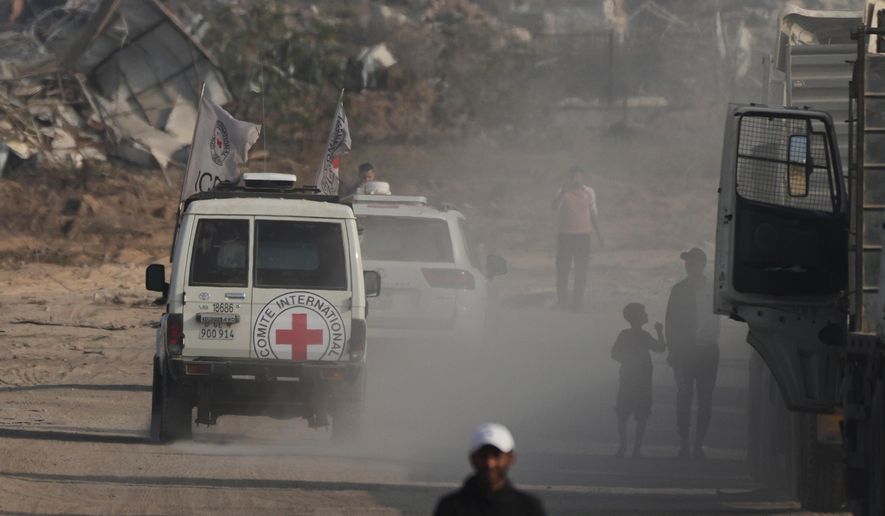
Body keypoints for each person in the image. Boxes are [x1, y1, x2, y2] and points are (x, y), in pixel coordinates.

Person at [665, 247, 721, 459]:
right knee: (684, 397)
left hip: (707, 350)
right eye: (687, 263)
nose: (689, 267)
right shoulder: (679, 289)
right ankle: (685, 443)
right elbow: (670, 322)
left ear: (702, 265)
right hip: (685, 351)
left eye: (693, 263)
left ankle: (698, 443)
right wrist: (672, 350)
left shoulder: (714, 289)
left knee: (705, 400)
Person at [433, 423, 546, 516]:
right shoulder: (450, 508)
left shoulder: (529, 508)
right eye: (484, 455)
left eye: (496, 455)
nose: (490, 463)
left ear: (510, 458)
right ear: (473, 459)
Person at [611, 302, 666, 458]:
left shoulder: (624, 334)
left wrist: (627, 360)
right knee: (641, 416)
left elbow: (614, 354)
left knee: (623, 414)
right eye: (643, 313)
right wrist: (660, 331)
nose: (646, 315)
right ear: (637, 317)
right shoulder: (644, 336)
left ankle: (623, 447)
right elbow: (661, 348)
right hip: (642, 382)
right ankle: (636, 450)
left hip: (627, 379)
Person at [552, 166, 604, 312]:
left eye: (577, 176)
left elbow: (593, 214)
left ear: (582, 177)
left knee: (581, 271)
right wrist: (562, 191)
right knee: (563, 270)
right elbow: (554, 207)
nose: (574, 179)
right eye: (572, 177)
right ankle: (562, 302)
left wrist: (600, 236)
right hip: (566, 237)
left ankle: (578, 304)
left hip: (583, 237)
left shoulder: (589, 192)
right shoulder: (563, 191)